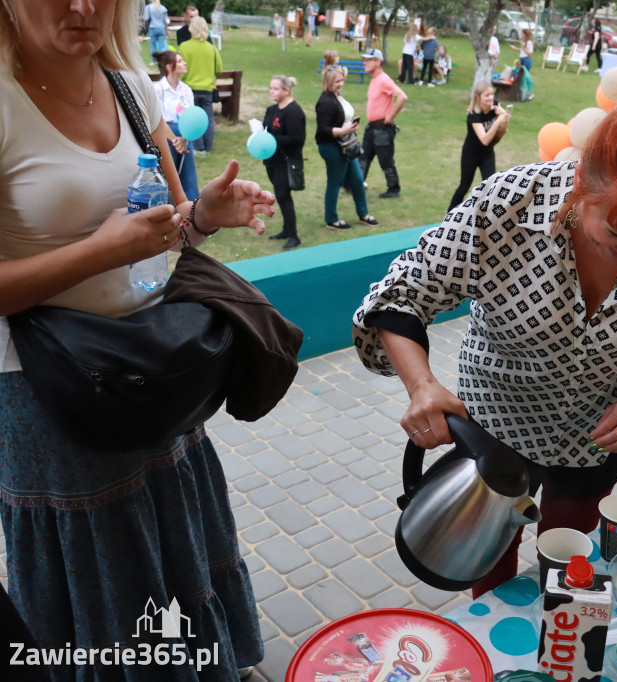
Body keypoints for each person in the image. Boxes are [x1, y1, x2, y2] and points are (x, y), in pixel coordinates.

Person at [353, 42, 617, 600]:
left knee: (568, 568)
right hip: (493, 432)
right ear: (582, 188)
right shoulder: (510, 206)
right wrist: (422, 386)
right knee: (490, 568)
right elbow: (402, 294)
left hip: (593, 443)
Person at [0, 0, 276, 675]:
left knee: (175, 540)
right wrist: (100, 252)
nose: (84, 6)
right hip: (51, 398)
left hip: (155, 368)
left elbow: (168, 225)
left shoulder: (132, 86)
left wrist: (205, 215)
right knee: (107, 571)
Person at [316, 66, 378, 230]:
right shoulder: (325, 102)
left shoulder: (337, 96)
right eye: (337, 81)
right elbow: (323, 129)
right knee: (335, 182)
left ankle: (363, 214)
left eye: (342, 80)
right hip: (332, 147)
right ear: (328, 82)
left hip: (346, 145)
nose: (341, 84)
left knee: (358, 180)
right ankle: (331, 219)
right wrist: (345, 130)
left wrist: (348, 128)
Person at [447, 82, 511, 211]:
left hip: (487, 154)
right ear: (478, 97)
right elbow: (485, 140)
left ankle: (487, 214)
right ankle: (450, 214)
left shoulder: (495, 106)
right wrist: (498, 121)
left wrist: (503, 114)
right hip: (471, 153)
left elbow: (504, 128)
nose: (490, 98)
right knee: (464, 185)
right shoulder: (473, 115)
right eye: (486, 95)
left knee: (491, 184)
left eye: (492, 94)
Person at [263, 75, 306, 250]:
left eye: (275, 88)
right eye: (271, 88)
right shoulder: (271, 109)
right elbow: (265, 129)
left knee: (283, 196)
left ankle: (294, 236)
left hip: (286, 161)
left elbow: (297, 139)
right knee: (280, 196)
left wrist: (272, 138)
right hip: (271, 161)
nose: (271, 92)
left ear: (286, 90)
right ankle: (286, 230)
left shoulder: (294, 111)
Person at [359, 48, 407, 199]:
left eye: (369, 60)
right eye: (365, 59)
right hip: (372, 127)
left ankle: (393, 189)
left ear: (377, 62)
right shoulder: (374, 79)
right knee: (363, 156)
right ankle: (356, 184)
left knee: (385, 159)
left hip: (382, 128)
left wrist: (391, 116)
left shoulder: (384, 80)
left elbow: (402, 97)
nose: (365, 62)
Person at [154, 51, 199, 200]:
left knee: (189, 177)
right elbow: (157, 118)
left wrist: (184, 139)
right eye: (179, 61)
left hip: (186, 135)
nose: (184, 63)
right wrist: (175, 140)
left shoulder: (186, 89)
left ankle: (192, 209)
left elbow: (192, 116)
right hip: (166, 135)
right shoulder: (158, 89)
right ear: (169, 66)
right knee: (168, 177)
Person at [178, 16, 222, 156]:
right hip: (208, 88)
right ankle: (208, 147)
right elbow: (219, 69)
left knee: (194, 119)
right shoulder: (212, 48)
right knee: (208, 119)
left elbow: (181, 70)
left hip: (190, 88)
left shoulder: (185, 47)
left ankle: (198, 147)